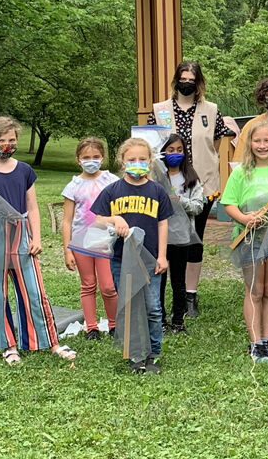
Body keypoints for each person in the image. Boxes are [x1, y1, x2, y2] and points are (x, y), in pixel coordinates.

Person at [0, 116, 76, 366]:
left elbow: (32, 207)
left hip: (22, 235)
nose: (7, 145)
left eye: (11, 140)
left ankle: (50, 341)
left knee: (35, 291)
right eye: (1, 140)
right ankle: (8, 345)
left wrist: (36, 237)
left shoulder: (24, 170)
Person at [150, 60, 237, 318]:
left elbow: (217, 141)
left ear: (198, 83)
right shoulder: (160, 110)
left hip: (201, 185)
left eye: (191, 80)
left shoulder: (211, 110)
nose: (187, 83)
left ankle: (190, 295)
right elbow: (152, 143)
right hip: (166, 185)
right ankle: (165, 294)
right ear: (176, 80)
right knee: (166, 238)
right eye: (183, 79)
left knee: (194, 239)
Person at [91, 137, 172, 374]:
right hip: (121, 261)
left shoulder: (157, 191)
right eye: (132, 159)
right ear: (122, 162)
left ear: (150, 161)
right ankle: (135, 354)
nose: (137, 163)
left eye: (142, 159)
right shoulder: (113, 190)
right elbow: (96, 221)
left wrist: (163, 256)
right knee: (129, 308)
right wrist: (114, 219)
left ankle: (154, 353)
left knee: (153, 308)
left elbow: (163, 224)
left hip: (150, 260)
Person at [220, 118, 268, 361]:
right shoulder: (240, 172)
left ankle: (267, 339)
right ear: (249, 143)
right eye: (257, 141)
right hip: (249, 237)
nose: (262, 145)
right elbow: (229, 203)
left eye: (267, 140)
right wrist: (244, 218)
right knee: (255, 290)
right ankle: (255, 343)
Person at [61, 137, 119, 340]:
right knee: (88, 285)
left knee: (108, 287)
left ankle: (114, 324)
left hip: (106, 241)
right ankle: (91, 327)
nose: (91, 160)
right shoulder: (73, 186)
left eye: (95, 156)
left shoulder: (112, 181)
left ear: (102, 158)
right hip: (81, 243)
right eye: (86, 157)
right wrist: (67, 250)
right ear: (78, 160)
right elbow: (67, 221)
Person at [156, 134, 205, 334]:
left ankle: (178, 321)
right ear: (162, 153)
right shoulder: (156, 178)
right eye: (170, 150)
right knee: (159, 281)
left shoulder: (191, 179)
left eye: (179, 150)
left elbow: (199, 207)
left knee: (178, 281)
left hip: (182, 237)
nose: (175, 154)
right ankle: (159, 320)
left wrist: (180, 200)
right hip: (159, 237)